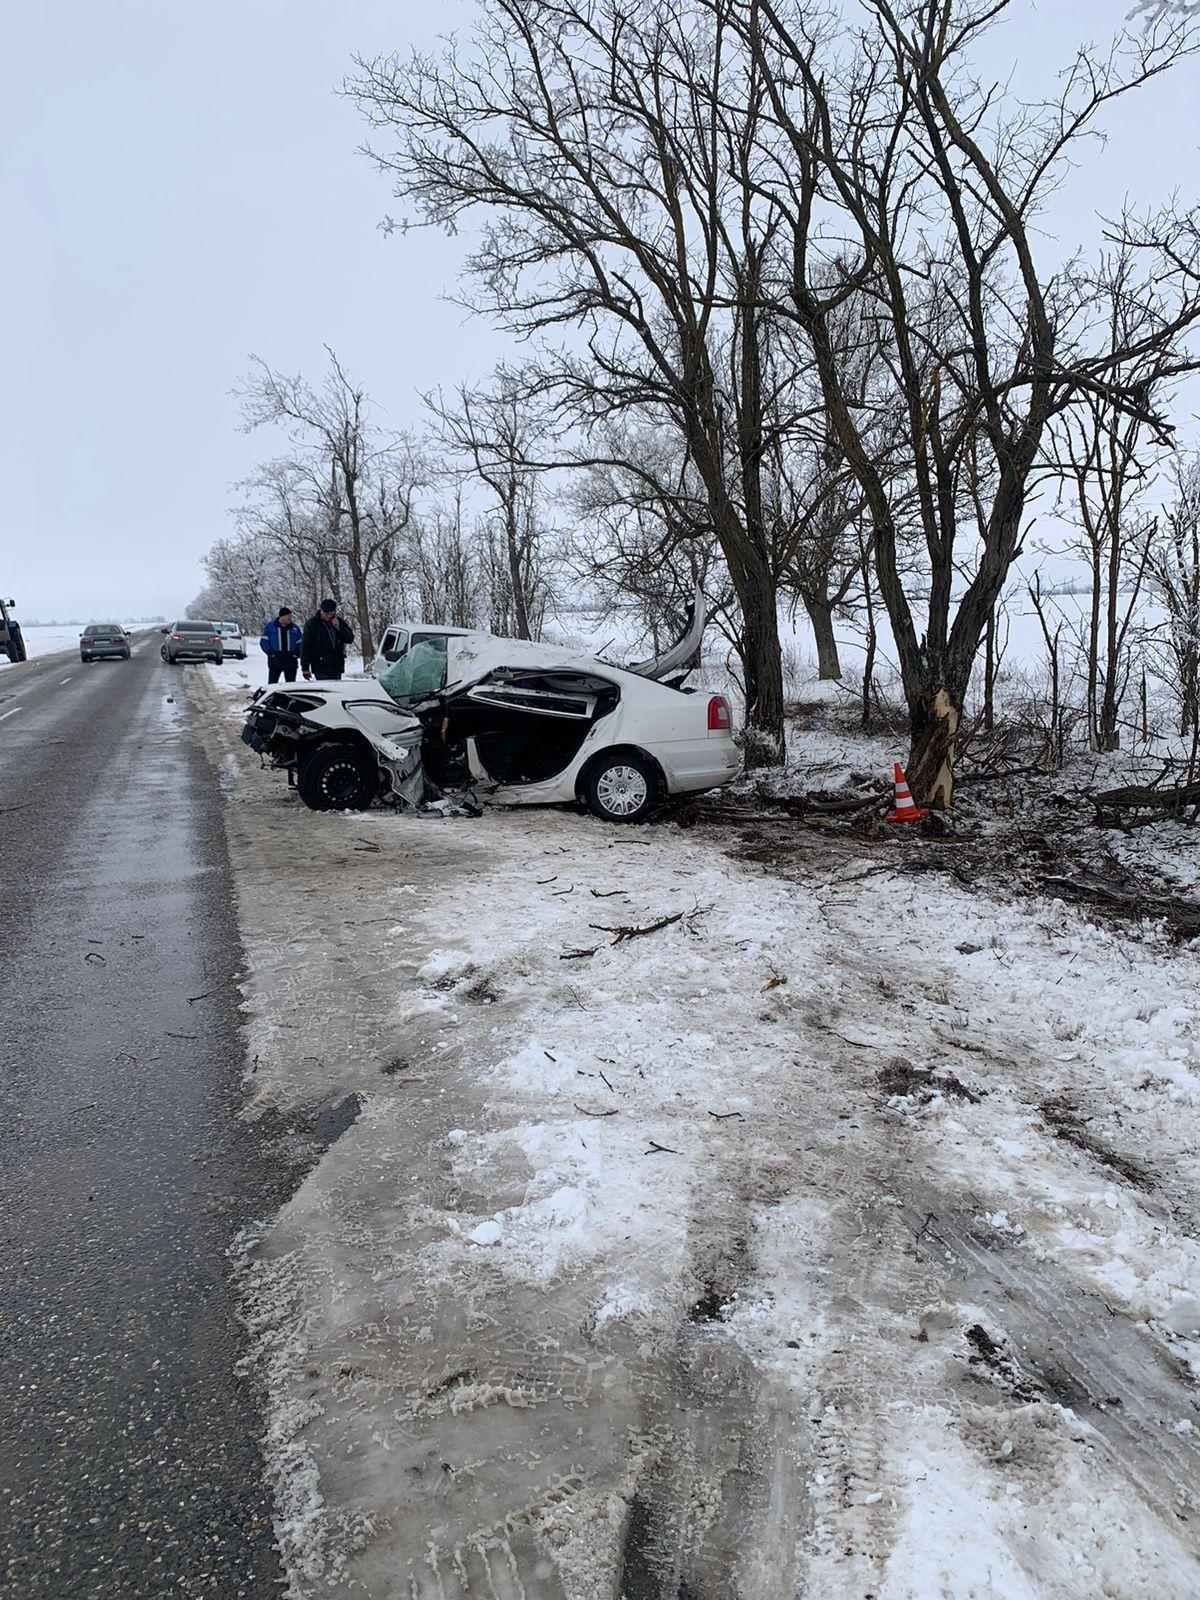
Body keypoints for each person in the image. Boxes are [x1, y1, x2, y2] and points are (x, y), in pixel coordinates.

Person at [301, 598, 355, 681]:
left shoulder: (339, 622)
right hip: (320, 665)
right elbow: (306, 646)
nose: (328, 616)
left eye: (331, 613)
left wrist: (339, 628)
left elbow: (350, 639)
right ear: (321, 611)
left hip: (336, 665)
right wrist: (305, 667)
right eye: (326, 613)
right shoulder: (312, 624)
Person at [259, 607, 303, 683]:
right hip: (275, 659)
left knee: (291, 685)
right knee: (272, 683)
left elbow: (301, 642)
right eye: (287, 616)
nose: (290, 618)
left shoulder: (295, 628)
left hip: (290, 659)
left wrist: (298, 652)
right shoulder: (270, 627)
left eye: (290, 616)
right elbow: (264, 641)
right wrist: (270, 652)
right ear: (281, 617)